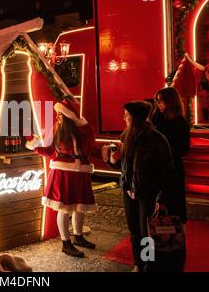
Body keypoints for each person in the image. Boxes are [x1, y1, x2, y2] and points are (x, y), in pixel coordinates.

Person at [102, 101, 176, 272]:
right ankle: (138, 263)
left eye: (126, 115)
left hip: (148, 193)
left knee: (146, 233)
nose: (123, 118)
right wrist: (111, 160)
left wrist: (160, 197)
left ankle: (149, 265)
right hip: (129, 191)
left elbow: (168, 171)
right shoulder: (125, 137)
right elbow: (124, 167)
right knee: (134, 230)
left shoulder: (157, 139)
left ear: (135, 118)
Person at [26, 98, 97, 258]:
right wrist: (35, 147)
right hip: (62, 173)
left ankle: (78, 237)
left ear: (68, 115)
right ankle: (66, 243)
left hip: (81, 172)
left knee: (80, 207)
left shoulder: (85, 129)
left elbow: (91, 148)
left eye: (60, 114)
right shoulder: (59, 129)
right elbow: (52, 152)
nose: (57, 116)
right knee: (64, 208)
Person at [150, 87, 190, 271]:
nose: (158, 104)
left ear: (170, 101)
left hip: (172, 170)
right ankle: (158, 254)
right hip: (158, 171)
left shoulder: (180, 122)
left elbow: (184, 148)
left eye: (161, 101)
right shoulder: (157, 119)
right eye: (157, 100)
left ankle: (176, 253)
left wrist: (165, 149)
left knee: (174, 213)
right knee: (157, 215)